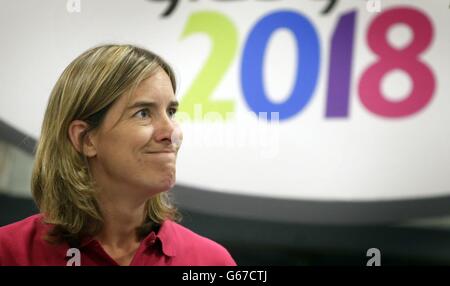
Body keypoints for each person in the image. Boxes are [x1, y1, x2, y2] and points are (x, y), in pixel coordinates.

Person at [0, 44, 237, 266]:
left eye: (171, 112)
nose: (172, 132)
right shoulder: (10, 252)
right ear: (85, 139)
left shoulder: (210, 261)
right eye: (143, 113)